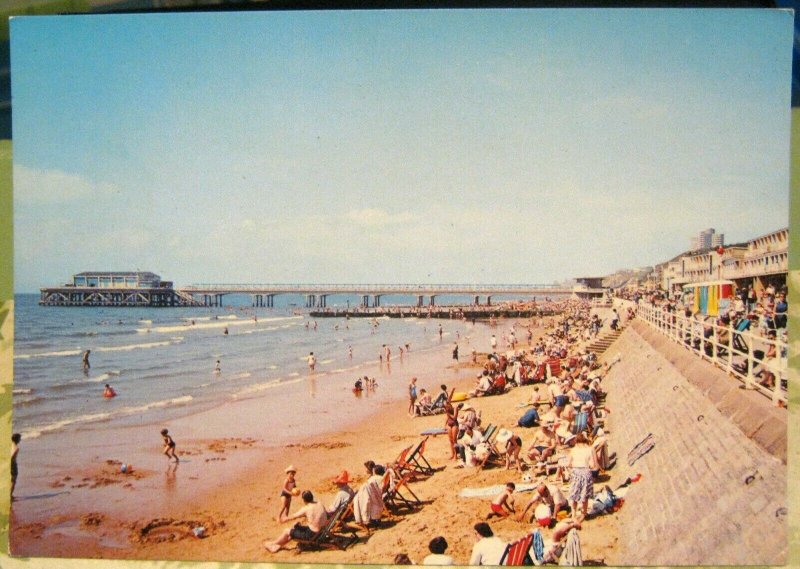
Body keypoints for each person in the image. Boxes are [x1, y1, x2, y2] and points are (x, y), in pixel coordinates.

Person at [264, 490, 329, 552]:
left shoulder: (306, 508)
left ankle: (274, 544)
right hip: (321, 532)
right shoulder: (320, 503)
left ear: (304, 500)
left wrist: (283, 520)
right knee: (296, 527)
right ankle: (278, 544)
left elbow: (293, 516)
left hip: (312, 535)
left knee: (287, 531)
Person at [567, 433, 598, 523]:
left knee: (574, 494)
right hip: (585, 472)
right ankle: (583, 514)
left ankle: (573, 515)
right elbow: (593, 465)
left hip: (576, 472)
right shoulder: (590, 449)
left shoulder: (573, 450)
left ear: (576, 441)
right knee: (585, 495)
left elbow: (569, 464)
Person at [10, 433, 21, 500]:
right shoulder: (16, 448)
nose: (20, 440)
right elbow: (12, 458)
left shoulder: (10, 445)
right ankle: (10, 495)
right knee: (13, 480)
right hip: (13, 464)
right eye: (19, 438)